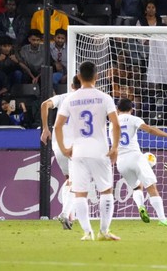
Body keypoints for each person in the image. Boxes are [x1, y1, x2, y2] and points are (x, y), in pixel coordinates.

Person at [54, 61, 122, 241]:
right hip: (100, 150)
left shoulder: (70, 98)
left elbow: (58, 126)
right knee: (106, 191)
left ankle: (87, 232)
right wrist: (114, 147)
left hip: (78, 151)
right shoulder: (104, 97)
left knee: (79, 193)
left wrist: (63, 148)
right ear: (97, 77)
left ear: (78, 77)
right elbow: (115, 123)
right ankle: (104, 231)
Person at [111, 98, 167, 226]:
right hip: (135, 157)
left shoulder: (112, 122)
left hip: (121, 162)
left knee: (137, 187)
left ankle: (141, 206)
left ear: (117, 109)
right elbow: (149, 130)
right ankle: (162, 219)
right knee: (151, 187)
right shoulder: (134, 119)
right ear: (132, 109)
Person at [40, 75, 81, 230]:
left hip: (58, 145)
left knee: (69, 179)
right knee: (75, 181)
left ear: (71, 85)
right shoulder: (88, 100)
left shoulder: (63, 97)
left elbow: (45, 105)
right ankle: (65, 213)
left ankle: (68, 215)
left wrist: (45, 129)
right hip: (77, 146)